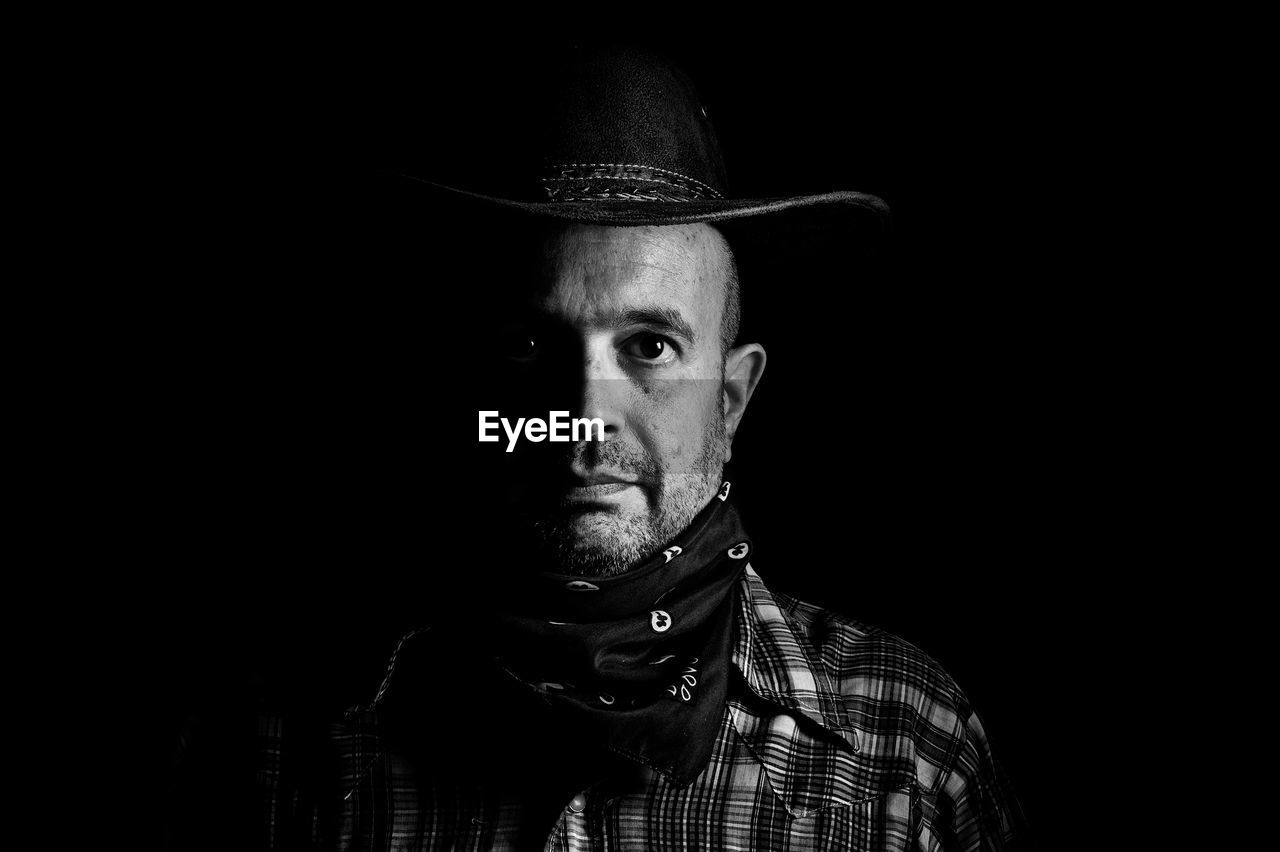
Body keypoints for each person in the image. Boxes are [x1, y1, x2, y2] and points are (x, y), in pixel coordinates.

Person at [170, 47, 1023, 851]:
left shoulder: (905, 746)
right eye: (529, 347)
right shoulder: (272, 733)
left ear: (730, 397)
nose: (582, 417)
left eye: (650, 347)